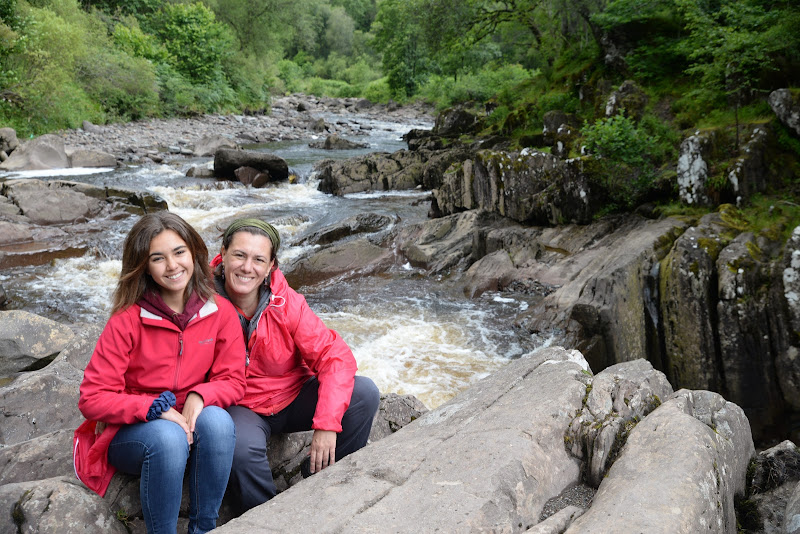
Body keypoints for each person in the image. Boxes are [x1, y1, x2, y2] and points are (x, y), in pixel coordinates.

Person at [75, 212, 246, 534]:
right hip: (135, 433)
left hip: (191, 419)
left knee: (220, 422)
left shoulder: (219, 310)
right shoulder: (127, 319)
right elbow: (93, 398)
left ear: (194, 253)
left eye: (179, 252)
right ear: (143, 266)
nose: (172, 266)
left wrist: (200, 395)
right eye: (158, 258)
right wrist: (152, 409)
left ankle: (204, 527)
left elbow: (234, 379)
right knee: (168, 439)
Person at [212, 218, 380, 515]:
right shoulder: (201, 303)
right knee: (240, 448)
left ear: (270, 266)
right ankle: (269, 516)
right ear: (223, 254)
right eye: (239, 255)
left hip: (293, 395)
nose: (247, 267)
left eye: (258, 259)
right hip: (242, 404)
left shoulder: (286, 302)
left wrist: (327, 423)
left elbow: (335, 356)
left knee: (364, 394)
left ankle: (320, 482)